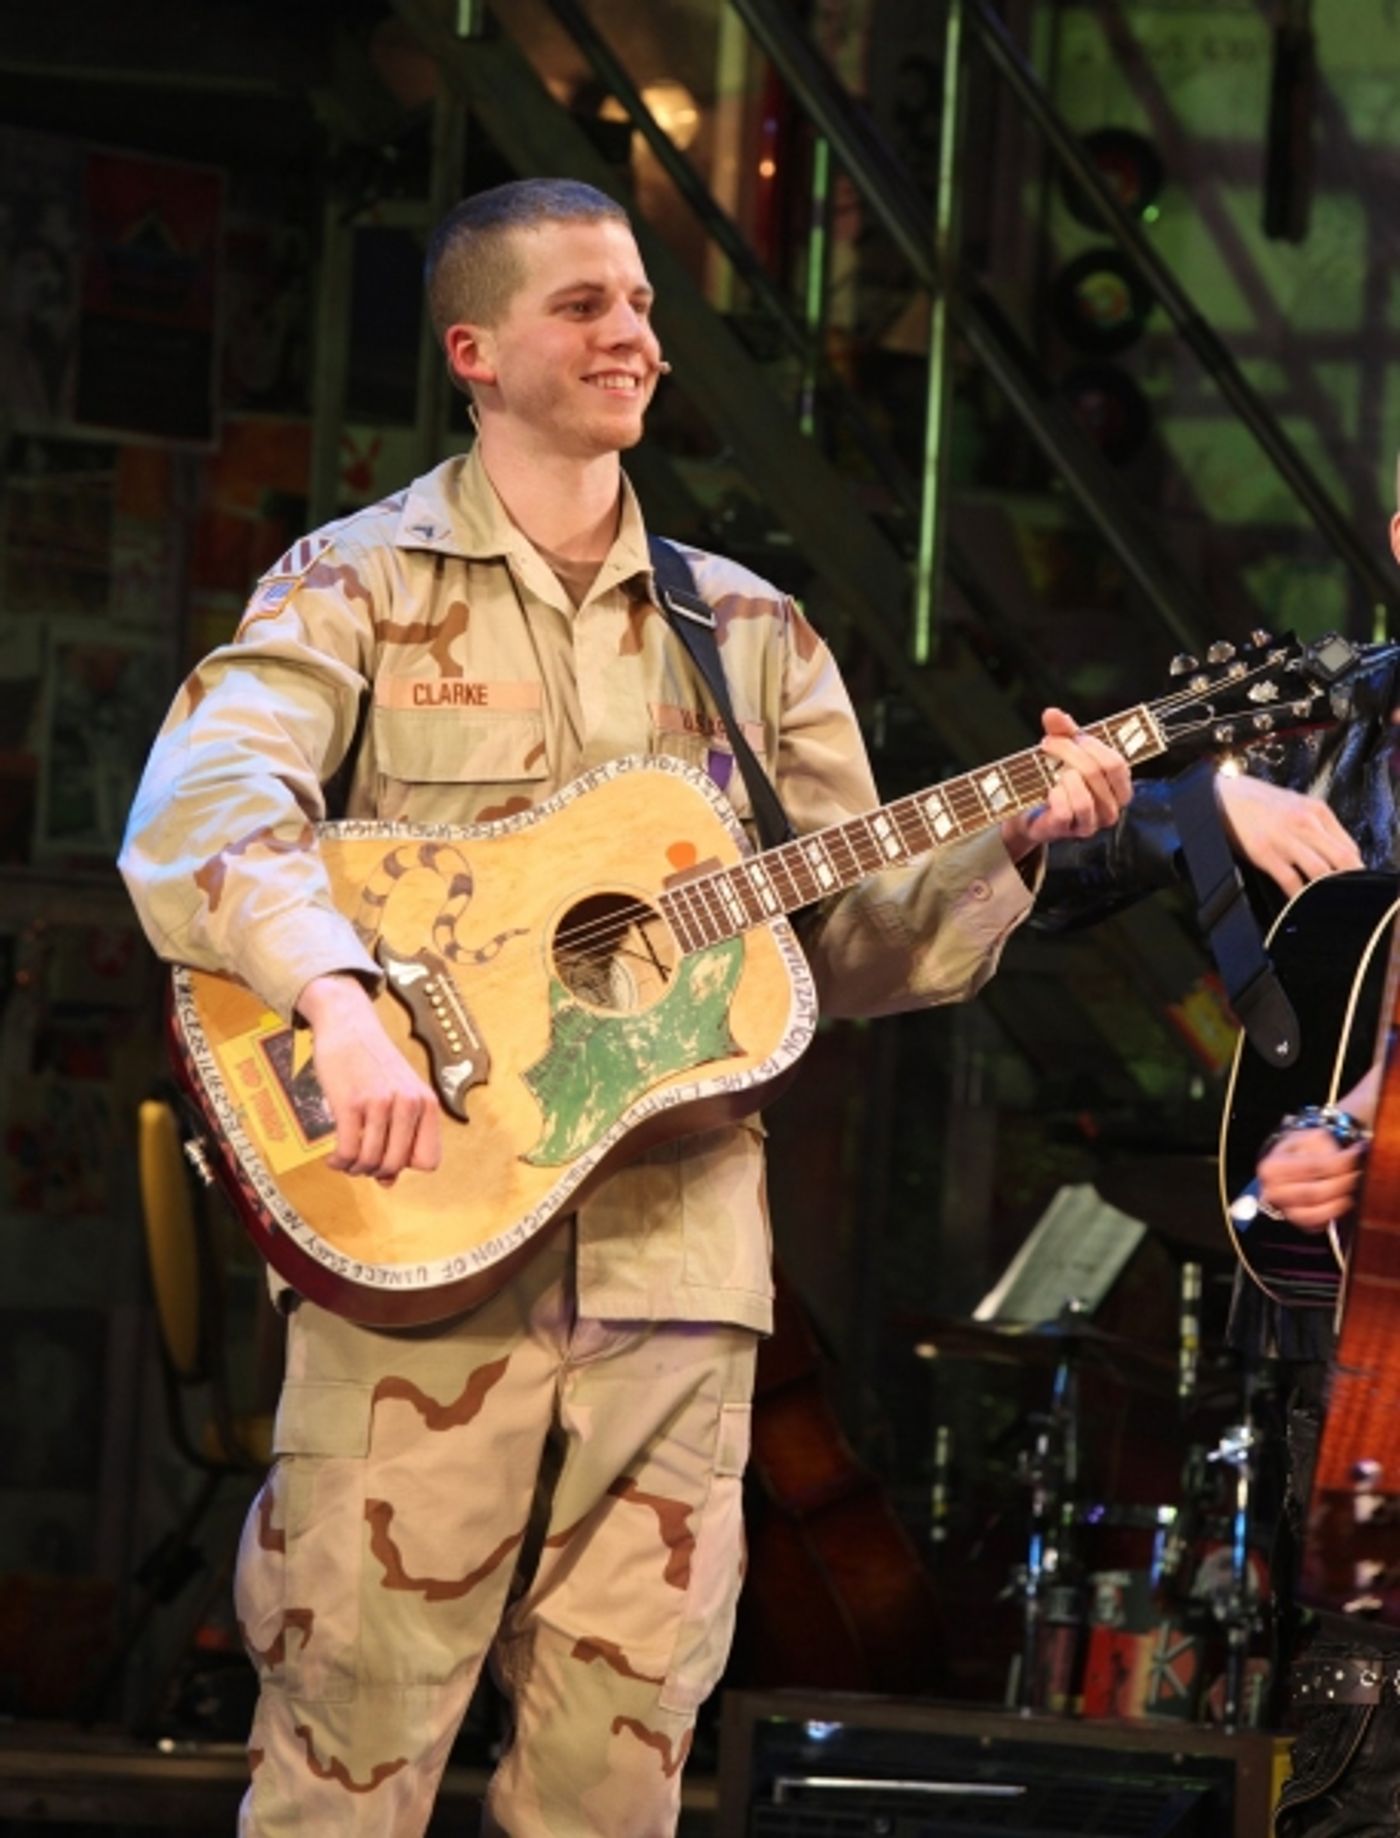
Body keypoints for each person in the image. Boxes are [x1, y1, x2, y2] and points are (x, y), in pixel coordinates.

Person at [120, 178, 1132, 1838]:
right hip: (424, 1256)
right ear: (475, 348)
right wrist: (342, 996)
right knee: (347, 1767)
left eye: (644, 303)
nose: (633, 334)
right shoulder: (354, 583)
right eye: (585, 304)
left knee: (618, 1784)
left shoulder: (747, 629)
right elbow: (202, 808)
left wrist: (1011, 844)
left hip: (678, 1279)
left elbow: (847, 950)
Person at [1037, 626, 1400, 1837]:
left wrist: (1366, 1118)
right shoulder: (1324, 708)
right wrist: (1210, 798)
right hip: (1352, 1358)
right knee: (1360, 1726)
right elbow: (1057, 869)